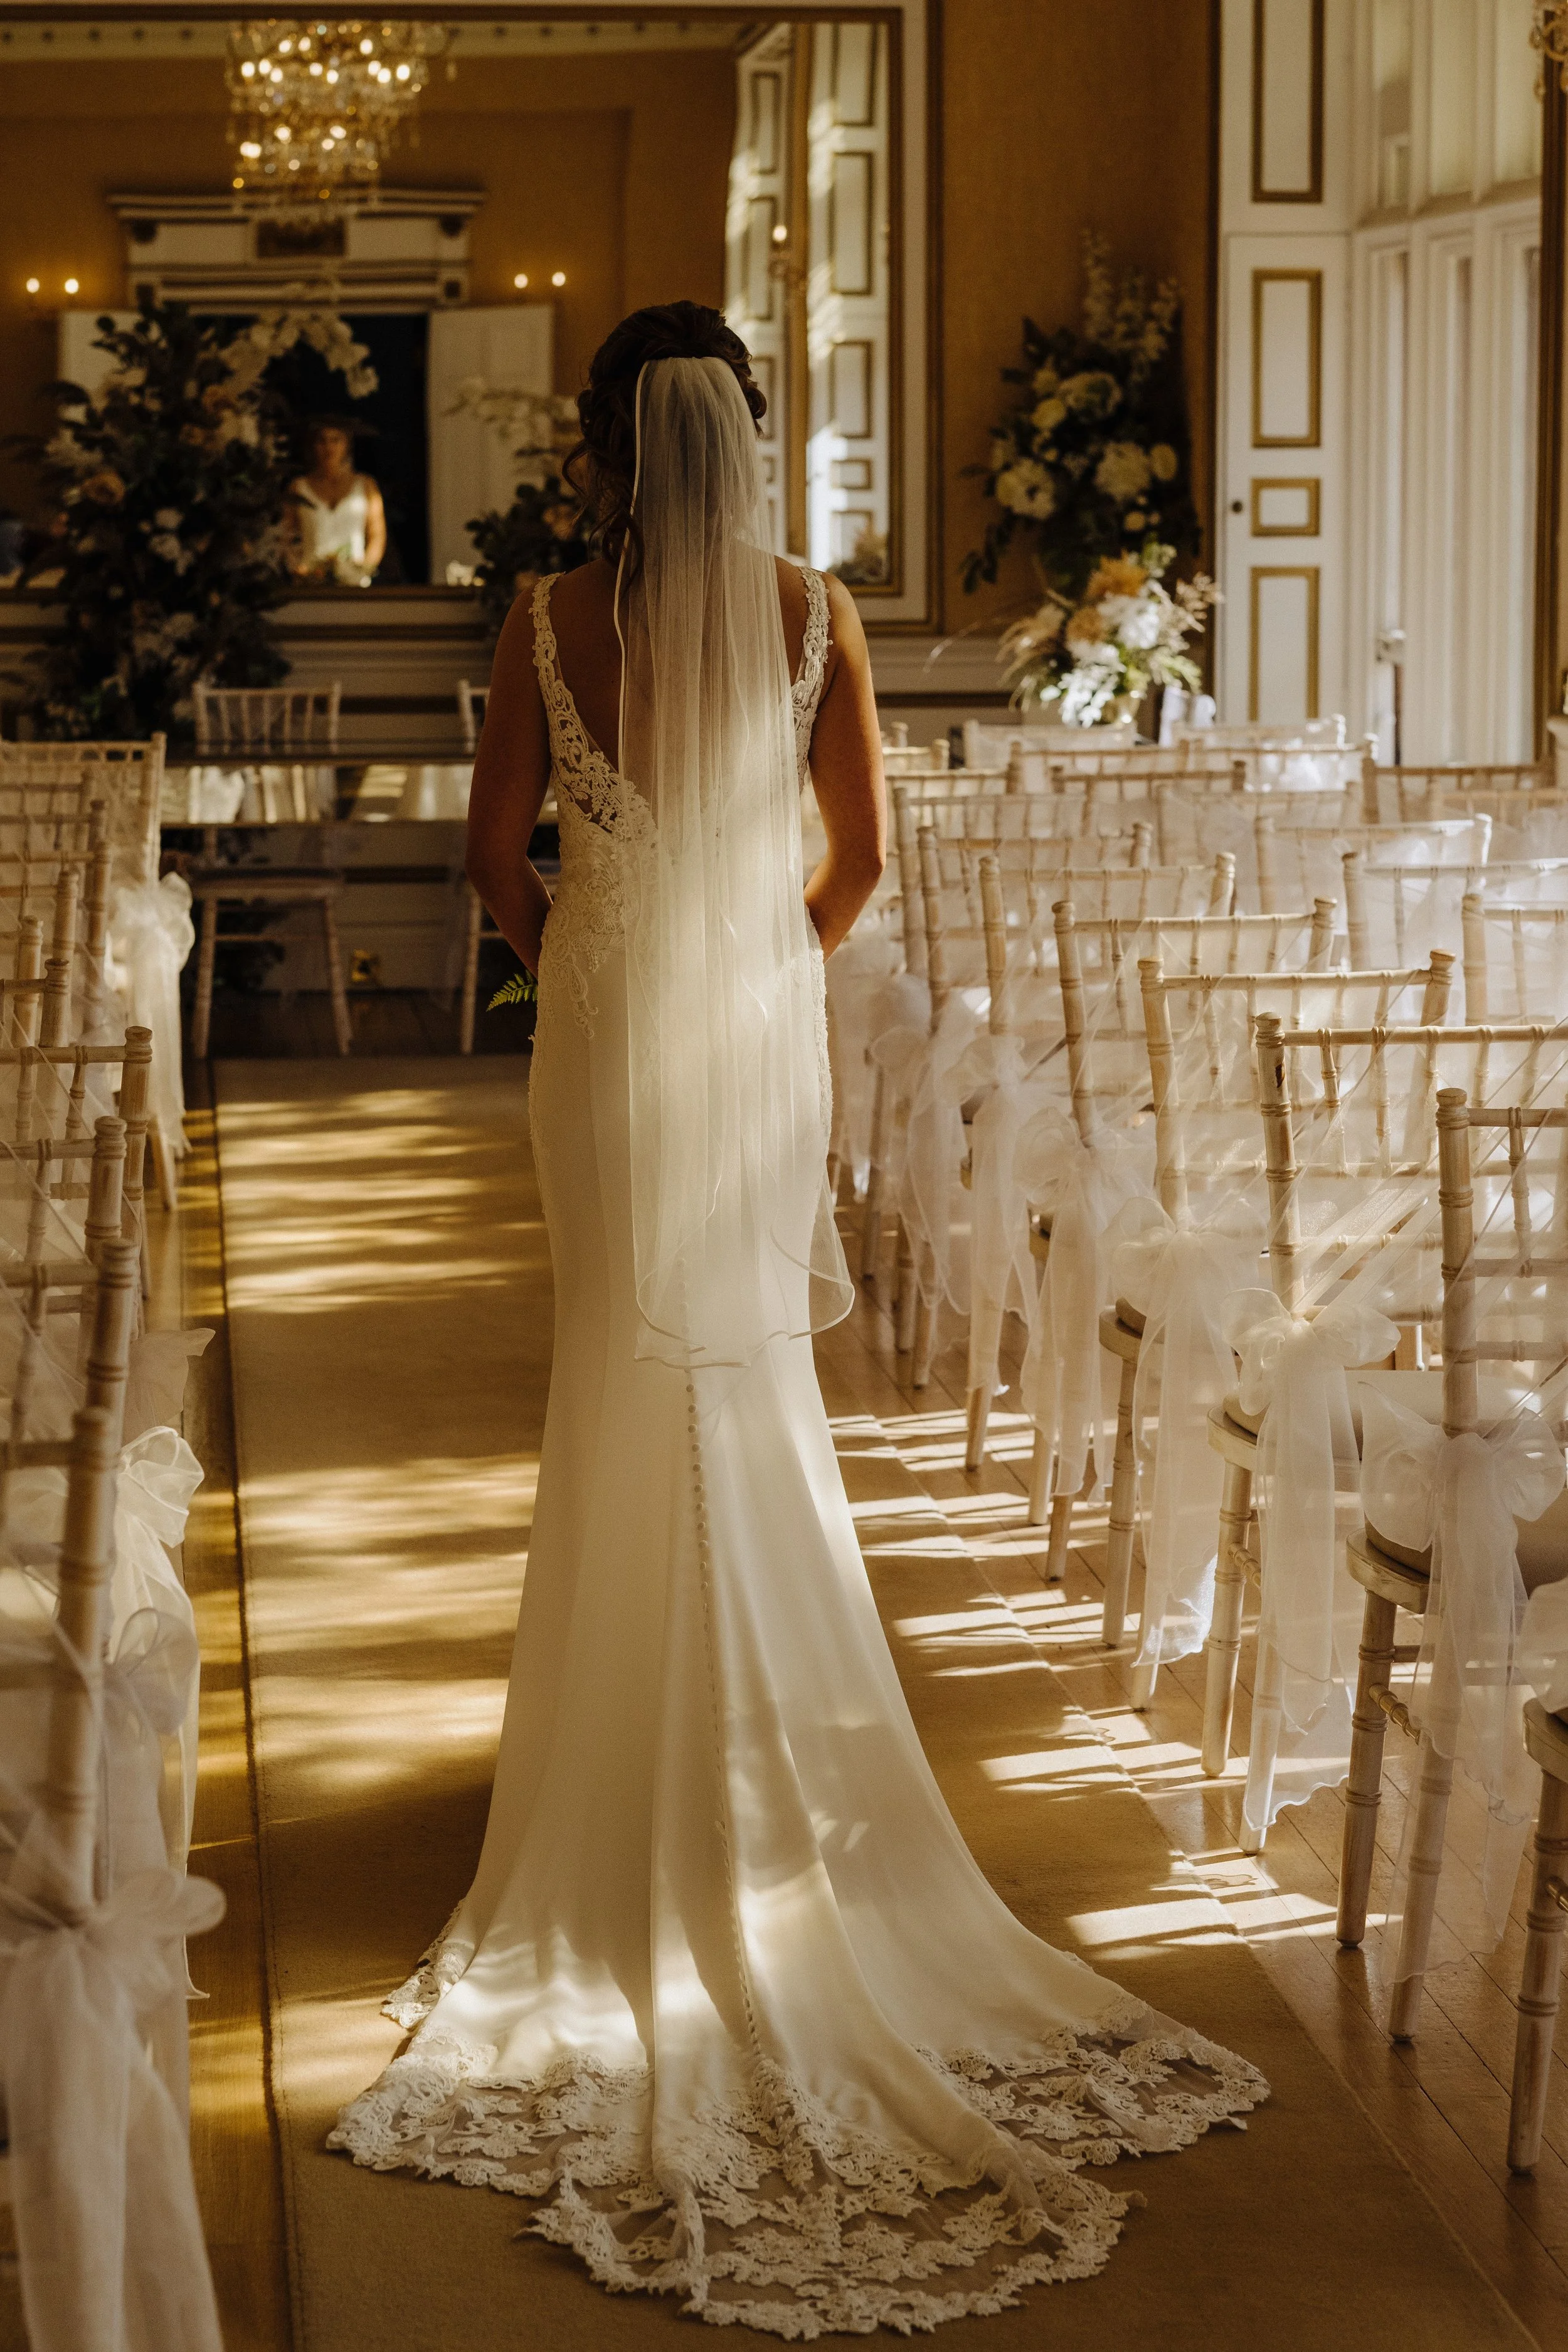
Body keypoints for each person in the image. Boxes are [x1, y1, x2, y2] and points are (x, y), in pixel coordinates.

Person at [331, 302, 1264, 2335]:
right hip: (748, 1026)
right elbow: (860, 868)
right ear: (743, 442)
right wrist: (749, 950)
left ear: (599, 445)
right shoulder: (811, 609)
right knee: (739, 1379)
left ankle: (601, 1794)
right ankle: (753, 1793)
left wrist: (589, 940)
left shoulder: (542, 625)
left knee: (615, 1374)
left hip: (596, 1032)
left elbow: (493, 854)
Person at [285, 416, 386, 585]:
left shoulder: (366, 486)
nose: (329, 448)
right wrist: (299, 571)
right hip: (310, 582)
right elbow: (285, 535)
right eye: (322, 441)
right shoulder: (298, 487)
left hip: (355, 583)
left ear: (346, 445)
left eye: (335, 440)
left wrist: (362, 570)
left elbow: (377, 536)